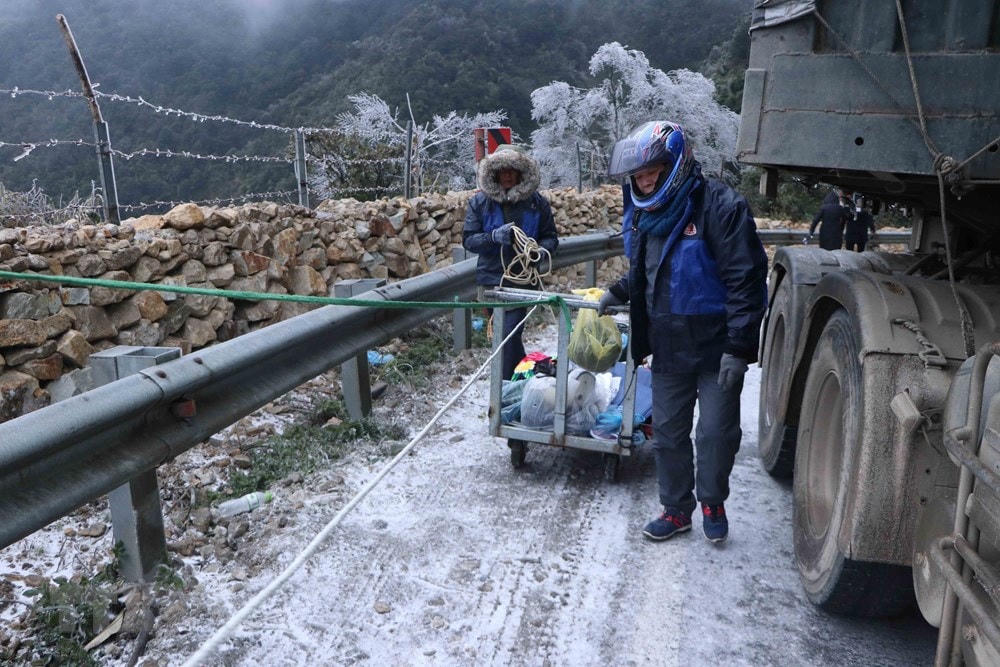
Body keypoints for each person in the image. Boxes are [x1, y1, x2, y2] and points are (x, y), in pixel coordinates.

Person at [598, 121, 767, 544]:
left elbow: (746, 280)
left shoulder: (721, 206)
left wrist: (739, 347)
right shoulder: (643, 215)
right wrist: (619, 290)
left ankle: (712, 501)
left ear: (677, 161)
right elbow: (648, 269)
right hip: (668, 346)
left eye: (653, 169)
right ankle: (676, 509)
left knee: (714, 434)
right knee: (669, 435)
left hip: (717, 347)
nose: (645, 179)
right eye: (638, 174)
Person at [463, 145, 558, 381]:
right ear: (493, 174)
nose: (506, 175)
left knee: (506, 335)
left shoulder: (537, 204)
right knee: (508, 337)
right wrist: (493, 237)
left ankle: (503, 392)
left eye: (511, 171)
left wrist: (540, 252)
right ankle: (528, 374)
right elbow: (469, 239)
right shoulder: (479, 203)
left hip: (521, 283)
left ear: (520, 174)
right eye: (502, 171)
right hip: (490, 282)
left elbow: (550, 237)